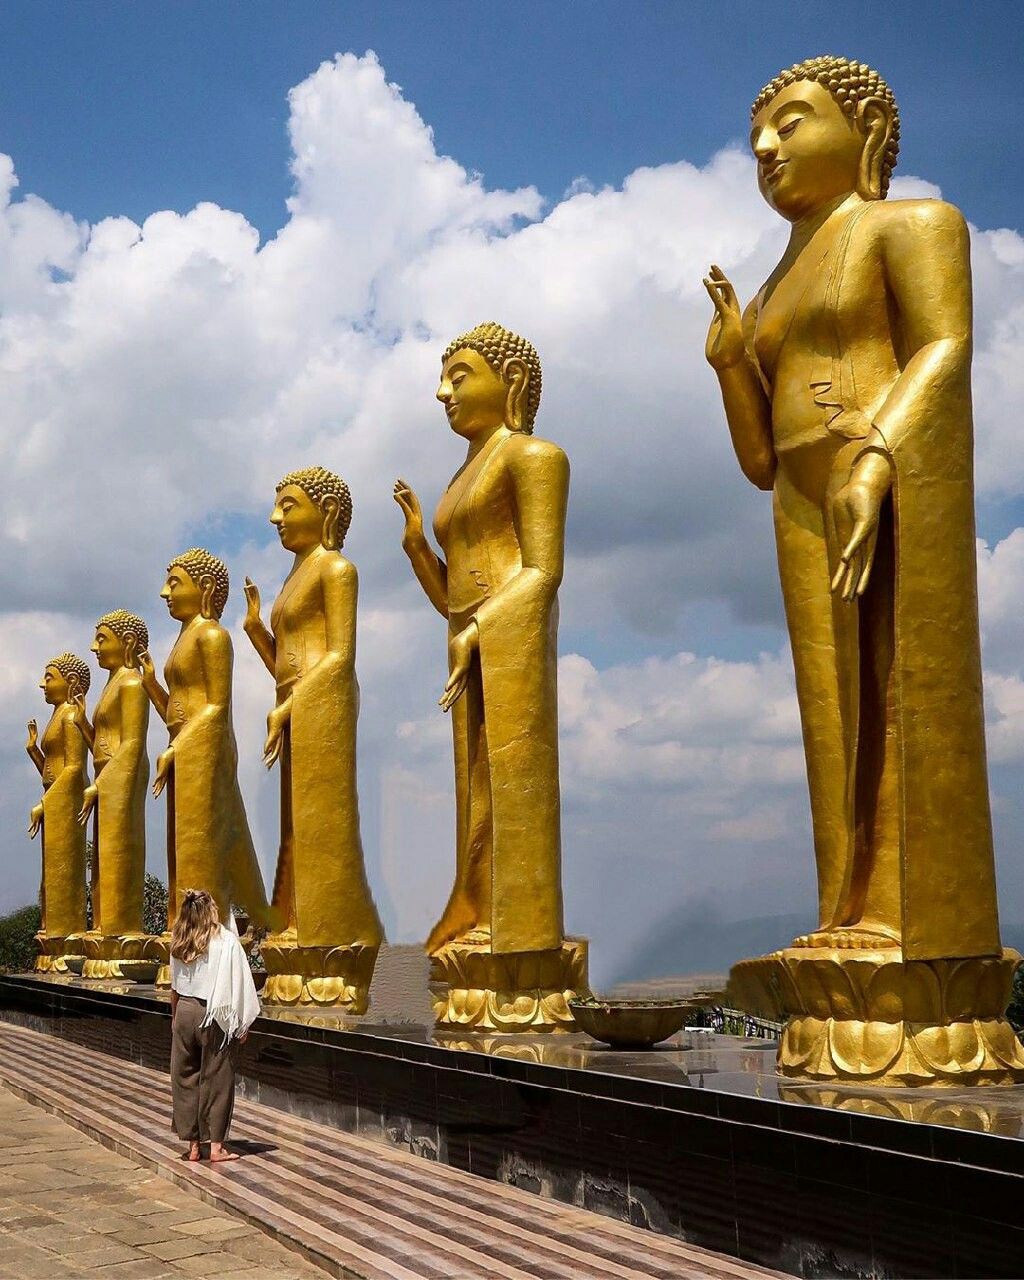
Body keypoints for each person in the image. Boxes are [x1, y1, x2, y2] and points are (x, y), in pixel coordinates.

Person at [169, 888, 259, 1162]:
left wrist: (175, 1019)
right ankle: (217, 1146)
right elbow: (239, 980)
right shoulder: (225, 940)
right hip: (213, 1014)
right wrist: (241, 1024)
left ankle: (194, 1145)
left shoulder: (179, 940)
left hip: (184, 1010)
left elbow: (173, 986)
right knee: (218, 1078)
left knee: (185, 1078)